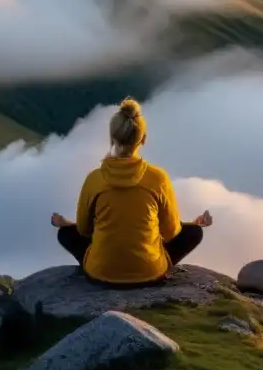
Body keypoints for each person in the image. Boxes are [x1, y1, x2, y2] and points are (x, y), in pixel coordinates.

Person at [51, 97, 213, 286]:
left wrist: (67, 224)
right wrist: (193, 224)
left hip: (101, 274)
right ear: (143, 139)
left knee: (65, 234)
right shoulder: (158, 178)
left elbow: (85, 231)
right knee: (194, 233)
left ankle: (102, 264)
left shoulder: (94, 179)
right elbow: (170, 233)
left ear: (112, 138)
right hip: (150, 273)